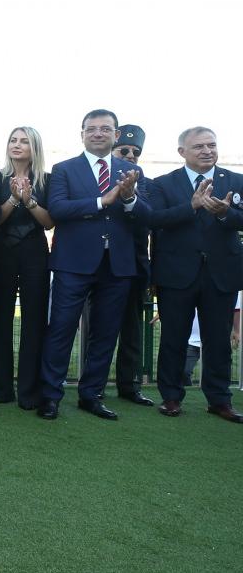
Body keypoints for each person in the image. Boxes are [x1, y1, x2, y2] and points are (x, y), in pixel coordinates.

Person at [38, 109, 148, 421]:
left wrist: (129, 199)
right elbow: (58, 209)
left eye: (105, 129)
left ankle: (91, 395)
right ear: (82, 134)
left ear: (116, 134)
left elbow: (147, 215)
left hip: (117, 266)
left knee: (105, 333)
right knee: (61, 330)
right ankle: (50, 396)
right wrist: (102, 201)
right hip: (73, 263)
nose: (98, 133)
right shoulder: (64, 169)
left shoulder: (131, 171)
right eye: (92, 129)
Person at [146, 127, 243, 422]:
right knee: (173, 338)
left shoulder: (236, 181)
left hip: (221, 274)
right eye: (199, 146)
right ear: (182, 152)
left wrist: (225, 213)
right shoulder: (163, 184)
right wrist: (191, 206)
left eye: (211, 145)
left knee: (218, 340)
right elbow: (155, 219)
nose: (207, 151)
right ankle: (171, 397)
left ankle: (219, 400)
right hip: (176, 274)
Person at [0, 126, 54, 409]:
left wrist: (29, 201)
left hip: (35, 252)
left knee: (34, 321)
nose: (17, 144)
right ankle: (0, 389)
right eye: (13, 140)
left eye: (24, 141)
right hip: (1, 251)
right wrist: (14, 199)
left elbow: (49, 222)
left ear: (34, 147)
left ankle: (30, 392)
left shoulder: (48, 180)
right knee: (0, 318)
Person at [110, 125, 156, 405]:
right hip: (103, 265)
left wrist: (131, 196)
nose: (130, 155)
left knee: (132, 330)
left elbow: (147, 222)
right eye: (124, 150)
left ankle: (129, 385)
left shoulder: (146, 183)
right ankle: (93, 384)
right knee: (99, 329)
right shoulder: (99, 178)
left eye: (135, 152)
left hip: (135, 266)